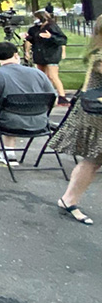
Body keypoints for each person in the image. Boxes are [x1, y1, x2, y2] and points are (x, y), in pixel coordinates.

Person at [50, 18, 102, 225]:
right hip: (96, 116)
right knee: (94, 159)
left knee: (94, 160)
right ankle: (68, 199)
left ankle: (68, 199)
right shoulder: (99, 57)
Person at [25, 10, 69, 104]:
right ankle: (46, 94)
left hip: (51, 54)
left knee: (53, 75)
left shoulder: (52, 26)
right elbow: (35, 41)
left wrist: (51, 37)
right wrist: (28, 38)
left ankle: (62, 97)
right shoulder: (35, 29)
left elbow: (62, 40)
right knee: (42, 76)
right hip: (40, 54)